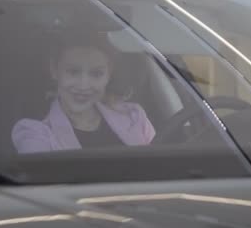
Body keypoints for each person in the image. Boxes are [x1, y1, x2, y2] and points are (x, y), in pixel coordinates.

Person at [12, 33, 155, 153]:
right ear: (54, 70)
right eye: (73, 72)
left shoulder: (134, 116)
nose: (83, 85)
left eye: (96, 74)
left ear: (109, 75)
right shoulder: (35, 132)